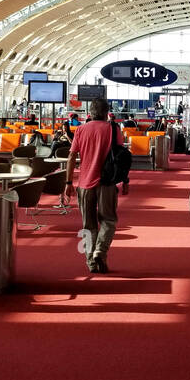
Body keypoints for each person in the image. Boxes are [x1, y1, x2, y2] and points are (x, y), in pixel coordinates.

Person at [60, 97, 127, 274]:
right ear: (106, 112)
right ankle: (100, 251)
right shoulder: (113, 129)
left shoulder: (81, 130)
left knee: (88, 225)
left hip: (85, 184)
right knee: (109, 220)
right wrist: (125, 180)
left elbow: (72, 157)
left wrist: (68, 182)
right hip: (107, 183)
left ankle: (91, 262)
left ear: (90, 111)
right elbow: (121, 157)